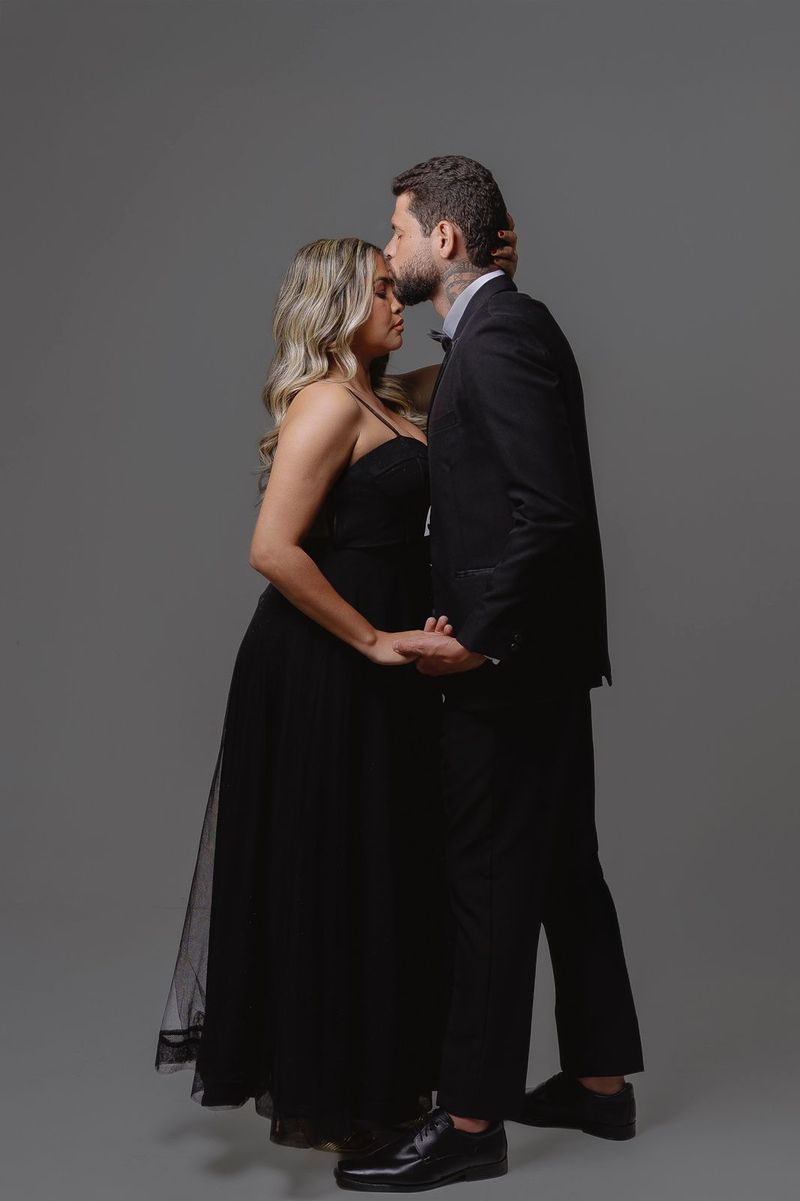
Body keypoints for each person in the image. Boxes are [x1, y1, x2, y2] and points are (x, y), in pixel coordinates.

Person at [154, 230, 518, 1154]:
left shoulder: (391, 396)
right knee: (333, 864)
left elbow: (477, 352)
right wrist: (372, 639)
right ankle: (334, 1095)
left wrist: (494, 272)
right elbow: (271, 549)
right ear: (339, 305)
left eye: (399, 287)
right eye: (385, 290)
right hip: (321, 662)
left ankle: (379, 1084)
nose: (401, 303)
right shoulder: (324, 402)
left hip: (378, 667)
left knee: (383, 862)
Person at [334, 156, 644, 1191]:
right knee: (560, 868)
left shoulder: (501, 336)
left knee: (488, 883)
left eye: (398, 231)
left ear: (444, 240)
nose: (389, 252)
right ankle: (599, 1085)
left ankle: (469, 1123)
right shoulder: (501, 326)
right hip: (541, 659)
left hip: (508, 667)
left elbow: (547, 513)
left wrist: (479, 636)